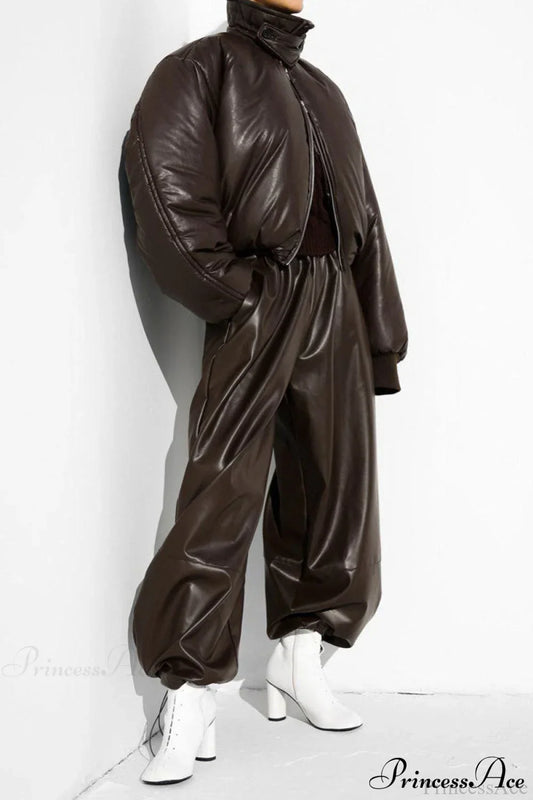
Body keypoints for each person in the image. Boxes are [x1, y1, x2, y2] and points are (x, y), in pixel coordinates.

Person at [124, 0, 408, 785]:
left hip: (334, 303)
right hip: (262, 294)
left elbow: (365, 219)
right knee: (223, 488)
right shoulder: (199, 70)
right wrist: (236, 293)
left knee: (333, 486)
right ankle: (189, 690)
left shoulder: (320, 88)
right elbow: (167, 190)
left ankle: (300, 655)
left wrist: (377, 331)